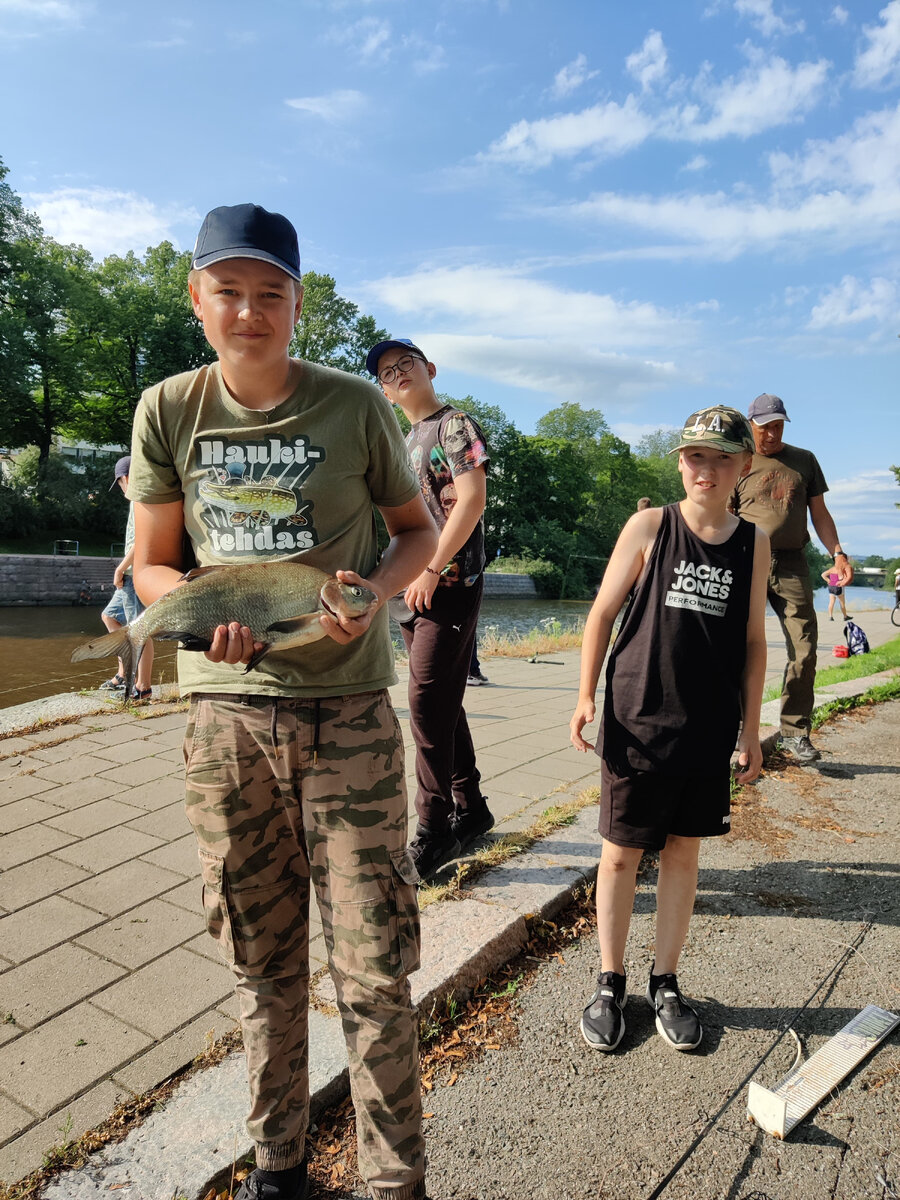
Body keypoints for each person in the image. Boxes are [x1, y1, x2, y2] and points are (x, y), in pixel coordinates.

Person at [128, 204, 437, 1200]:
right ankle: (279, 1167)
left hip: (348, 719)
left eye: (271, 294)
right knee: (262, 964)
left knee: (376, 970)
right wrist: (190, 612)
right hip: (224, 722)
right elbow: (150, 561)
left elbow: (418, 532)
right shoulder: (166, 408)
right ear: (197, 299)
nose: (249, 312)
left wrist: (374, 596)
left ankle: (395, 1182)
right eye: (229, 291)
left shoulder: (356, 405)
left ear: (298, 305)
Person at [570, 406, 768, 1053]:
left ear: (744, 466)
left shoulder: (754, 542)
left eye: (722, 458)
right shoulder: (651, 526)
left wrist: (751, 728)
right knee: (620, 855)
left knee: (684, 853)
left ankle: (666, 981)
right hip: (637, 718)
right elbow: (602, 614)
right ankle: (610, 981)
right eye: (695, 456)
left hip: (708, 727)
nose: (706, 469)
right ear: (681, 462)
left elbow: (754, 641)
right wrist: (585, 696)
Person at [366, 337, 494, 879]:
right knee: (443, 701)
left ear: (430, 369)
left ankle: (435, 829)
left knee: (424, 704)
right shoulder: (401, 440)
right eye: (387, 372)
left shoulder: (453, 425)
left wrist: (433, 568)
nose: (397, 374)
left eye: (406, 364)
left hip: (450, 583)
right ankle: (472, 808)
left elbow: (472, 498)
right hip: (412, 589)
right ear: (383, 390)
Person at [732, 393, 853, 764]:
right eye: (765, 426)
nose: (772, 433)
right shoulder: (737, 459)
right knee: (732, 645)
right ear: (751, 424)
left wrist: (838, 553)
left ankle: (794, 732)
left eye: (778, 425)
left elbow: (820, 513)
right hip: (744, 561)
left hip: (791, 563)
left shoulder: (804, 460)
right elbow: (723, 515)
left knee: (804, 648)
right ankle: (734, 729)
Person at [98, 455, 154, 700]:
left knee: (139, 630)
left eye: (120, 482)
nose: (121, 488)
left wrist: (120, 568)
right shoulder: (136, 501)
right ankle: (122, 673)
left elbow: (142, 539)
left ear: (127, 478)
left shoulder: (141, 499)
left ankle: (143, 687)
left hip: (134, 574)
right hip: (130, 575)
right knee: (110, 616)